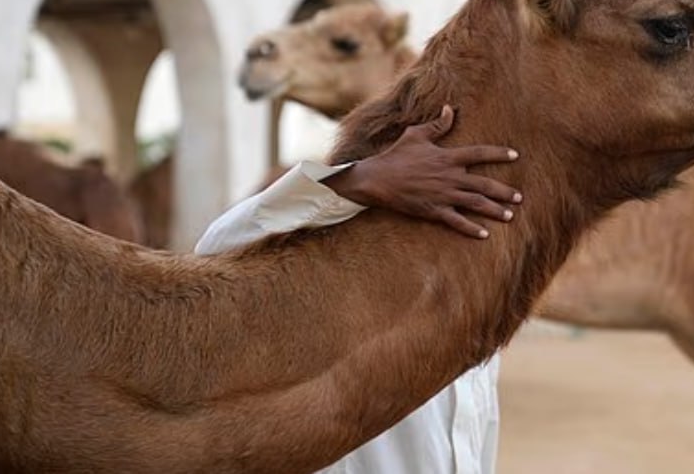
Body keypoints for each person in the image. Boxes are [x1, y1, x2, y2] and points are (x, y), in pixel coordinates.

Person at [195, 106, 518, 474]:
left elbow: (475, 449)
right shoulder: (326, 291)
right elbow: (215, 253)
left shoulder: (478, 322)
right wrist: (359, 180)